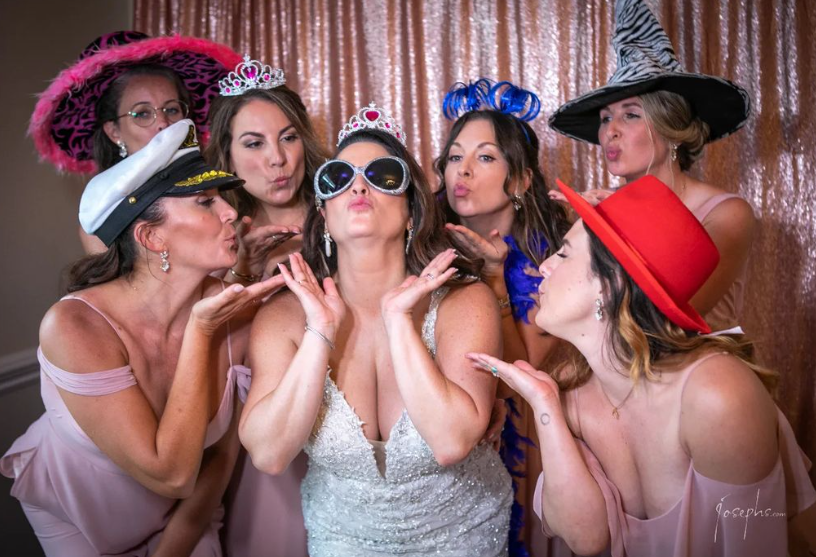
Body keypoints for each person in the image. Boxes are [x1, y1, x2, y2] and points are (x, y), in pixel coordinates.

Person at [467, 175, 816, 556]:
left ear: (610, 283)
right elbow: (585, 538)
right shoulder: (570, 389)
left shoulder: (715, 393)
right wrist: (544, 405)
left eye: (563, 254)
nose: (544, 266)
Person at [239, 103, 513, 556]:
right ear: (324, 215)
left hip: (463, 538)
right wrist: (319, 332)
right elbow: (268, 454)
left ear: (411, 212)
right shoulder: (282, 316)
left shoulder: (465, 301)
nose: (359, 186)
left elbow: (452, 442)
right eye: (338, 177)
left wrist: (399, 321)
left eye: (384, 175)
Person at [1, 120, 283, 556]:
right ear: (151, 237)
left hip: (186, 516)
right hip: (77, 517)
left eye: (221, 198)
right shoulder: (74, 327)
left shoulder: (230, 309)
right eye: (205, 202)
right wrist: (201, 331)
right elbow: (170, 473)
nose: (230, 212)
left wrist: (176, 546)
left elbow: (219, 457)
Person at [548, 0, 755, 334]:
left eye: (630, 115)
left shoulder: (728, 213)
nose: (610, 131)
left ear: (672, 130)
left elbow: (677, 314)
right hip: (622, 362)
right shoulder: (603, 208)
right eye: (605, 118)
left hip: (701, 363)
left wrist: (633, 222)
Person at [434, 78, 570, 556]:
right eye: (454, 157)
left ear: (522, 181)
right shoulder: (424, 248)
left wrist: (494, 277)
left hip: (522, 441)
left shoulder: (550, 262)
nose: (463, 170)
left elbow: (520, 374)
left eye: (486, 157)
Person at [203, 55, 332, 557]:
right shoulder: (211, 236)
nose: (278, 159)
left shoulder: (345, 208)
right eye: (254, 143)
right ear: (227, 156)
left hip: (352, 418)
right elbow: (206, 354)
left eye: (288, 137)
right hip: (262, 435)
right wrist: (243, 273)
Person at [29, 30, 241, 254]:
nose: (163, 123)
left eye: (171, 109)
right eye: (142, 114)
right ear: (114, 132)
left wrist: (244, 261)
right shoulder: (102, 225)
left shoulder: (224, 189)